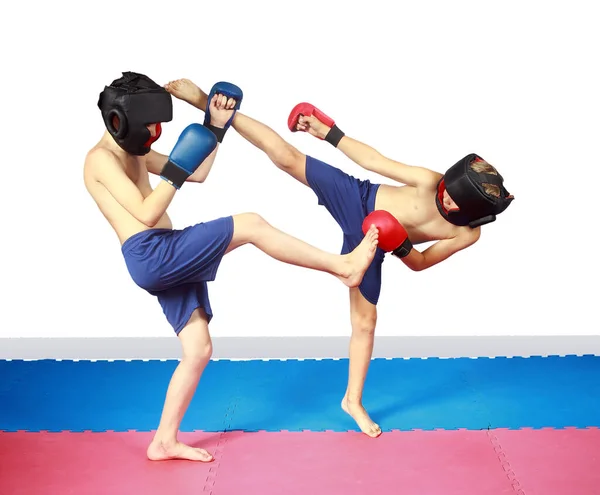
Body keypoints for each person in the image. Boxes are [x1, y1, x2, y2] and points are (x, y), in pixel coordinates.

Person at [163, 78, 514, 439]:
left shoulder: (466, 233)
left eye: (458, 203)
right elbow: (374, 160)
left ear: (473, 213)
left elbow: (421, 263)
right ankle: (212, 106)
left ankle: (353, 401)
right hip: (358, 198)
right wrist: (329, 133)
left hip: (378, 242)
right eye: (451, 192)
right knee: (287, 157)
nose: (449, 200)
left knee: (365, 324)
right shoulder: (431, 180)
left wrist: (399, 243)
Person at [83, 72, 380, 462]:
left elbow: (198, 173)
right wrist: (176, 168)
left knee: (198, 349)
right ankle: (342, 267)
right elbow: (147, 212)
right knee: (251, 224)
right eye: (150, 126)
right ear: (120, 121)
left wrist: (214, 128)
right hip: (152, 253)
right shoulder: (100, 160)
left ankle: (163, 440)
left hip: (163, 253)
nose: (155, 132)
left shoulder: (134, 152)